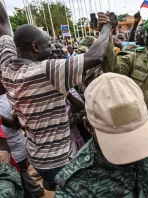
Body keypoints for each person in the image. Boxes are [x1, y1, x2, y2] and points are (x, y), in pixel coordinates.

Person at [0, 4, 117, 191]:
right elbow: (95, 57)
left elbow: (3, 23)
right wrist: (107, 27)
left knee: (55, 186)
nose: (53, 51)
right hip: (59, 160)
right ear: (35, 46)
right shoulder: (45, 70)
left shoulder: (6, 67)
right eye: (47, 45)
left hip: (37, 157)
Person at [0, 89, 44, 197]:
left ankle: (37, 188)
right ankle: (36, 189)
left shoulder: (9, 98)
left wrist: (1, 119)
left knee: (21, 178)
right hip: (16, 149)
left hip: (16, 149)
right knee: (22, 176)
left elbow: (17, 125)